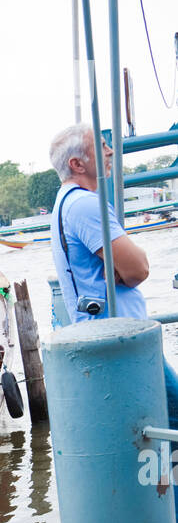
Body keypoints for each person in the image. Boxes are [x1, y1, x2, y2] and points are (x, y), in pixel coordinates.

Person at [48, 121, 178, 424]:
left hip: (109, 333)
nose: (110, 151)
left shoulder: (64, 203)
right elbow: (139, 268)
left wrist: (119, 267)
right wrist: (123, 269)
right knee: (170, 416)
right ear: (77, 164)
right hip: (122, 336)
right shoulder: (84, 205)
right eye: (101, 146)